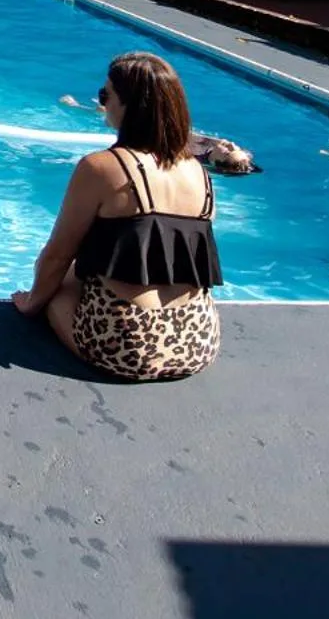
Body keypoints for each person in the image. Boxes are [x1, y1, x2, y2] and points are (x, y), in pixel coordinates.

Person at [16, 53, 222, 381]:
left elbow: (57, 256)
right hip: (198, 341)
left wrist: (30, 303)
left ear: (128, 106)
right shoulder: (198, 172)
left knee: (58, 283)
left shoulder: (101, 168)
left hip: (128, 349)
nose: (102, 103)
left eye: (105, 95)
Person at [58, 93, 256, 173]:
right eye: (235, 147)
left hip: (147, 133)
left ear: (215, 161)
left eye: (229, 151)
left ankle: (77, 107)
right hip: (164, 128)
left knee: (107, 115)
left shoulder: (190, 159)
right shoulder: (213, 145)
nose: (231, 145)